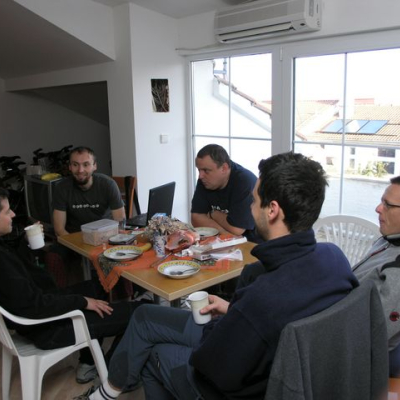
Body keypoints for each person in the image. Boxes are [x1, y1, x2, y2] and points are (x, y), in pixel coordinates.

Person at [86, 152, 358, 400]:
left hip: (232, 383)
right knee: (145, 315)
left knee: (155, 354)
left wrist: (232, 318)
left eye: (254, 201)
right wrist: (233, 310)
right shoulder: (335, 258)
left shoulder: (262, 295)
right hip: (268, 353)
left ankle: (107, 392)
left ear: (272, 210)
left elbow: (213, 366)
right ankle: (110, 390)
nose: (250, 208)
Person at [0, 188, 150, 384]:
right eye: (7, 211)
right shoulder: (2, 263)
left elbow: (31, 284)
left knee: (101, 286)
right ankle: (112, 373)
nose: (13, 214)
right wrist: (82, 302)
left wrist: (26, 243)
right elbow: (36, 305)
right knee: (143, 312)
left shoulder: (4, 251)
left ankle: (89, 362)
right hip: (47, 327)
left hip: (40, 314)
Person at [352, 176, 400, 376]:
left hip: (364, 362)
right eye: (382, 201)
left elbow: (374, 337)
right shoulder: (387, 240)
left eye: (388, 205)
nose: (378, 208)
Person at [191, 144, 259, 242]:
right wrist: (227, 235)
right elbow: (196, 218)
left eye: (206, 170)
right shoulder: (205, 180)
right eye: (199, 170)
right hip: (226, 241)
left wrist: (213, 214)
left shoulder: (244, 181)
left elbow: (237, 229)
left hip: (252, 243)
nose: (200, 176)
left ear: (224, 168)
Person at [53, 146, 125, 236]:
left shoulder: (108, 184)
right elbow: (59, 230)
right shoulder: (62, 188)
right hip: (73, 238)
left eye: (86, 164)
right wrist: (75, 244)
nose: (80, 170)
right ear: (70, 167)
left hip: (105, 236)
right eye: (75, 165)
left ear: (94, 166)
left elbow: (120, 223)